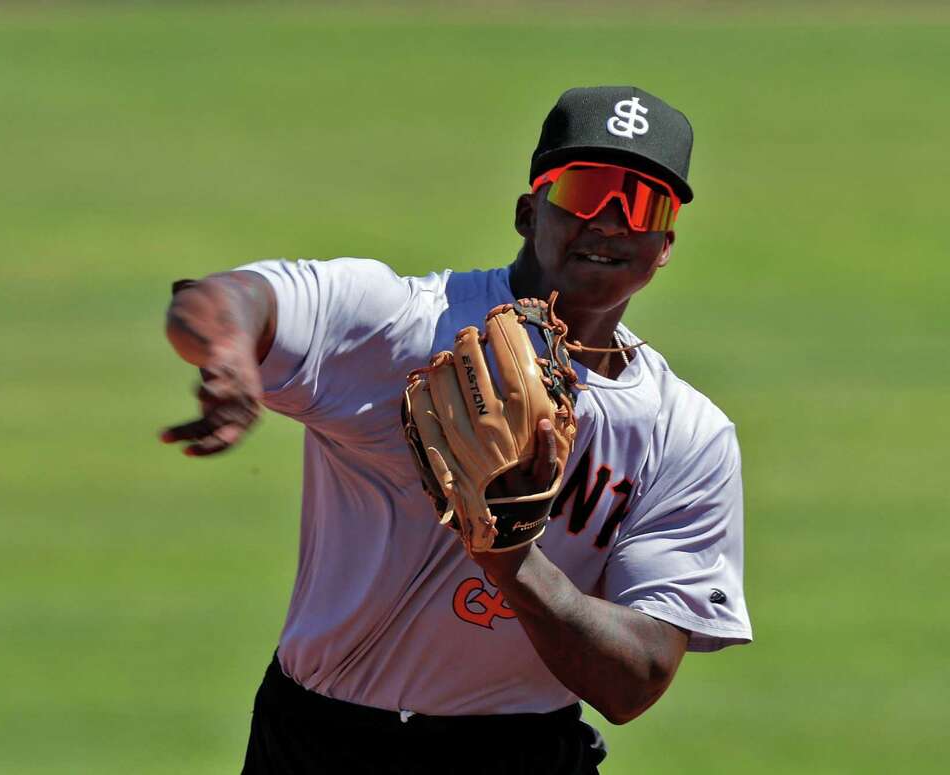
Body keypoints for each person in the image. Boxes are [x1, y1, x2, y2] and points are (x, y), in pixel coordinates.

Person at [162, 86, 752, 775]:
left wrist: (515, 564)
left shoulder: (685, 435)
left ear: (665, 246)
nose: (611, 221)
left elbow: (637, 678)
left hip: (520, 755)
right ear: (530, 211)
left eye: (642, 203)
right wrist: (229, 348)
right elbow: (223, 297)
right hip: (317, 742)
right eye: (585, 189)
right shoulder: (403, 326)